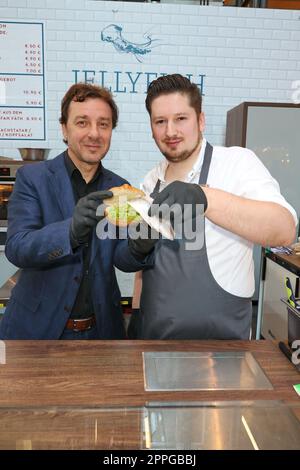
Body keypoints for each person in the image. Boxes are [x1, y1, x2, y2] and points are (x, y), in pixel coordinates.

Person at [131, 73, 297, 340]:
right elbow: (147, 263)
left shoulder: (236, 163)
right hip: (156, 342)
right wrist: (137, 312)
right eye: (160, 121)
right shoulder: (151, 180)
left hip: (224, 348)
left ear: (201, 120)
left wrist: (205, 198)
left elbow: (284, 228)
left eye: (181, 118)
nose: (170, 131)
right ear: (151, 127)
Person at [0, 83, 153, 340]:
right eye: (82, 122)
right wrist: (69, 232)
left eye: (103, 124)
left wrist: (140, 246)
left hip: (101, 332)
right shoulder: (33, 178)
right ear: (64, 128)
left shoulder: (120, 188)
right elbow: (17, 247)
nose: (94, 133)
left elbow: (121, 259)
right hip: (36, 331)